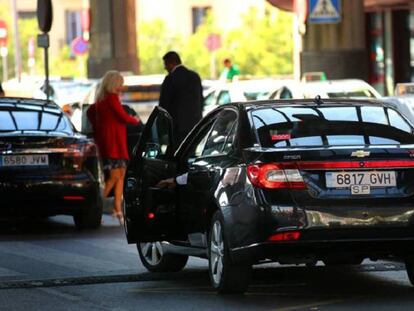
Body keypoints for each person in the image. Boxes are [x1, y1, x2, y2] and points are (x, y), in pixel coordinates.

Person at [87, 70, 140, 225]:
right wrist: (135, 120)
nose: (122, 87)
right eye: (120, 83)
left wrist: (100, 127)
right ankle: (97, 207)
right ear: (115, 84)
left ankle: (117, 209)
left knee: (121, 175)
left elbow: (90, 112)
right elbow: (122, 116)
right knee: (115, 176)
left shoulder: (101, 101)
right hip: (115, 144)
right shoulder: (112, 98)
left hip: (109, 143)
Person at [159, 51, 203, 149]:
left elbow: (164, 104)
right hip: (194, 124)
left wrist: (162, 124)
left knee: (176, 153)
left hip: (176, 126)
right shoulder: (195, 76)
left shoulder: (170, 79)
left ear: (172, 63)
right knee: (190, 152)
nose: (165, 67)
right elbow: (201, 100)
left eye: (166, 64)